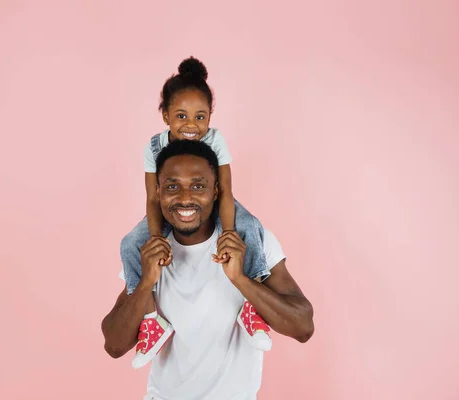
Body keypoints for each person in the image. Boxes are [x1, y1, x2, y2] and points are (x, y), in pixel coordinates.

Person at [103, 140, 314, 400]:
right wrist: (146, 283)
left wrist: (241, 279)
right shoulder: (148, 251)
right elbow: (114, 345)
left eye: (198, 186)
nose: (184, 198)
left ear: (216, 192)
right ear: (158, 193)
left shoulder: (250, 242)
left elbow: (303, 326)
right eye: (172, 186)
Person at [120, 56, 274, 369]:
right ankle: (151, 321)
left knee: (250, 226)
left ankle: (252, 306)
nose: (191, 125)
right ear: (165, 115)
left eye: (200, 116)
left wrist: (229, 231)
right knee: (129, 244)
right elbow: (153, 199)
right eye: (181, 115)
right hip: (173, 207)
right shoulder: (153, 147)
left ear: (210, 118)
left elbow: (226, 191)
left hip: (216, 202)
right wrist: (154, 238)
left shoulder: (215, 141)